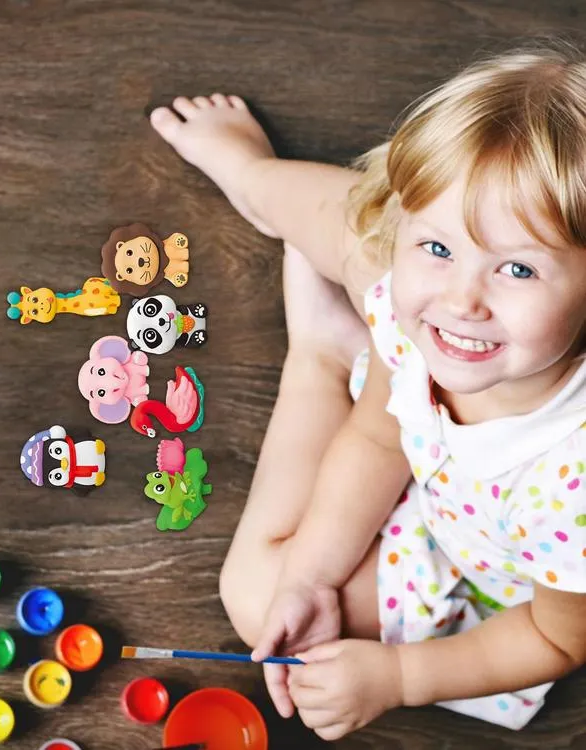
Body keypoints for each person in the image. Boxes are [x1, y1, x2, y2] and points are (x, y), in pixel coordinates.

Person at [148, 42, 586, 739]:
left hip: (478, 575)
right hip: (428, 455)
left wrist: (399, 678)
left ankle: (320, 354)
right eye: (439, 247)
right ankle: (254, 175)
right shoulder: (433, 318)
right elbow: (382, 433)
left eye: (519, 270)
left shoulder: (573, 488)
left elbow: (555, 640)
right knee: (356, 233)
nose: (462, 299)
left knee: (257, 602)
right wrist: (312, 576)